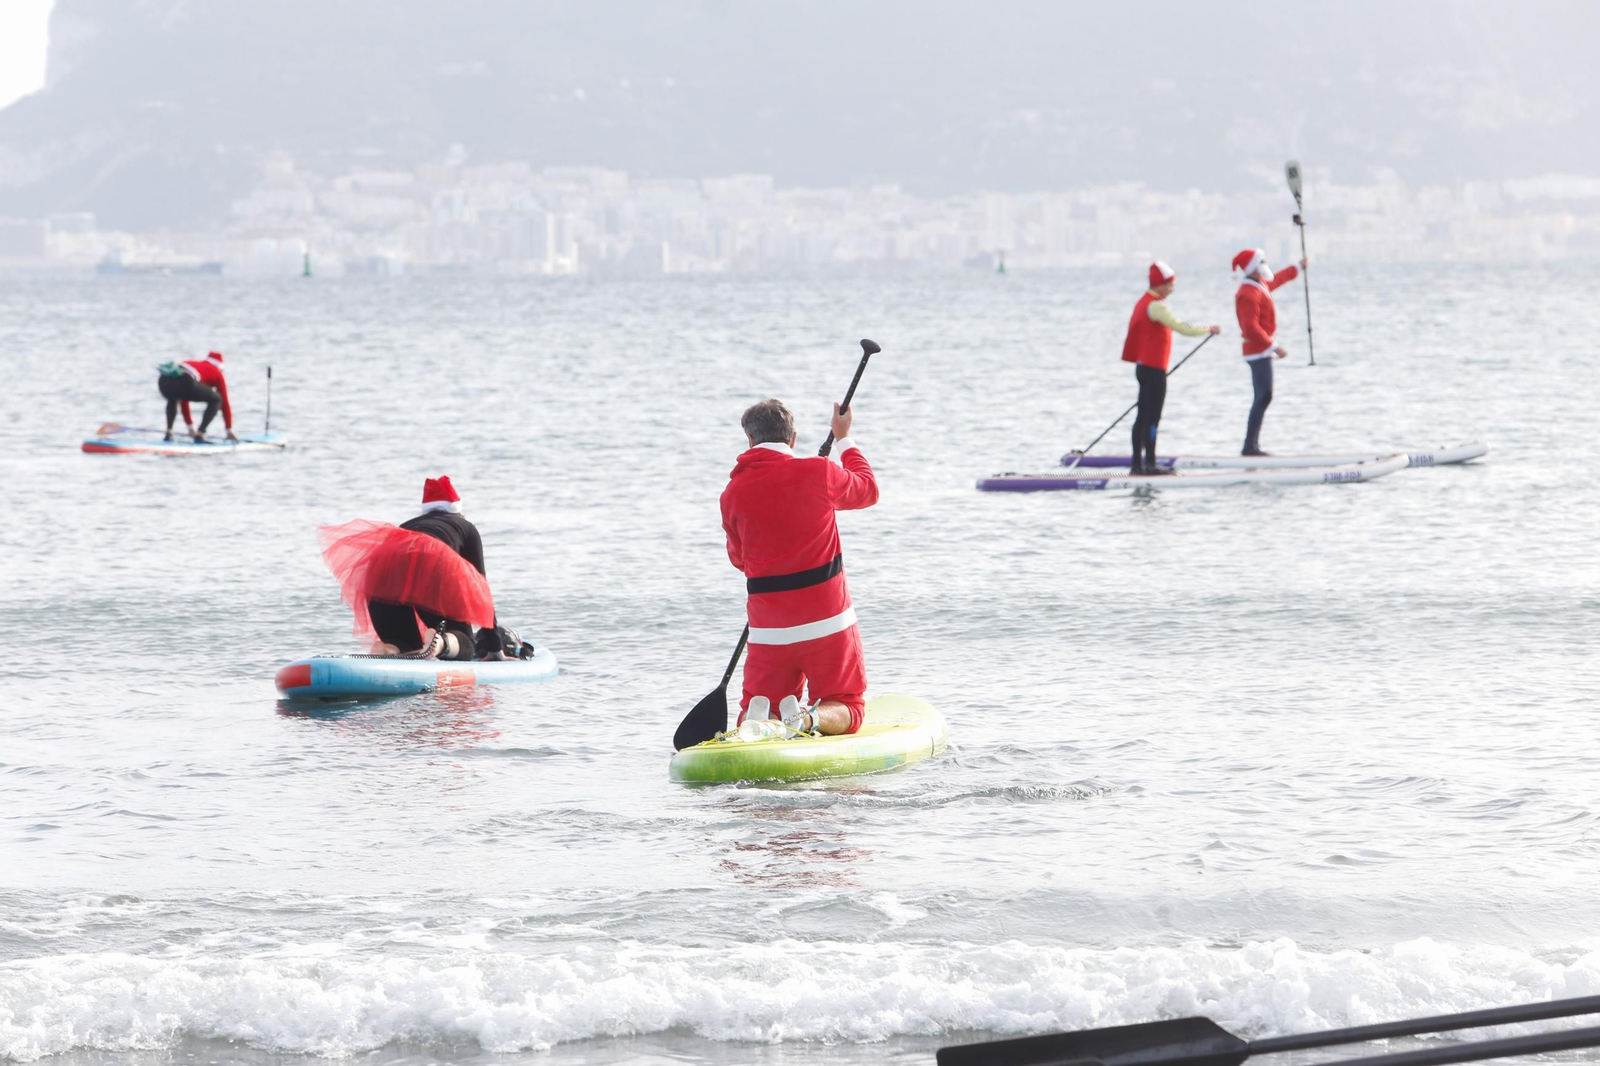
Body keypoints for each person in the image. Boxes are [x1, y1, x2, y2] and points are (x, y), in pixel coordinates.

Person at [720, 398, 879, 736]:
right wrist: (844, 438)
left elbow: (740, 560)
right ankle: (807, 719)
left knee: (762, 702)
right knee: (848, 704)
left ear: (749, 440)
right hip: (827, 622)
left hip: (768, 630)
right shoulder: (818, 471)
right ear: (792, 439)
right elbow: (868, 490)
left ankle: (760, 716)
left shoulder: (732, 493)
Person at [318, 476, 497, 661]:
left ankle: (386, 649)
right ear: (458, 511)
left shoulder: (408, 526)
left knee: (404, 646)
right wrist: (495, 648)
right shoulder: (466, 527)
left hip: (381, 567)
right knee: (465, 643)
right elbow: (482, 590)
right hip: (433, 559)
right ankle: (441, 643)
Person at [1120, 261, 1221, 474]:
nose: (1172, 290)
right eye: (1170, 285)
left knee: (1143, 417)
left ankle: (1138, 465)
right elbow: (1181, 327)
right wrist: (1208, 328)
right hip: (1153, 371)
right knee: (1151, 418)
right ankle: (1149, 465)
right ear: (1160, 285)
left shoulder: (1144, 301)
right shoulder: (1155, 306)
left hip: (1145, 368)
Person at [1232, 249, 1307, 456]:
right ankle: (1249, 446)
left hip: (1261, 350)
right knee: (1263, 395)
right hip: (1257, 350)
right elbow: (1250, 327)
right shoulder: (1247, 293)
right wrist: (1273, 346)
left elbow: (1277, 280)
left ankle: (1252, 445)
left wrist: (1297, 268)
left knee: (1265, 396)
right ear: (1252, 268)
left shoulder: (1259, 285)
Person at [157, 350, 239, 443]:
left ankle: (169, 432)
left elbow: (184, 398)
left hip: (163, 380)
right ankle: (200, 433)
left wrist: (190, 428)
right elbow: (225, 403)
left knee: (173, 397)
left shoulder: (194, 363)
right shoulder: (217, 372)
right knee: (217, 399)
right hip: (186, 381)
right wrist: (229, 429)